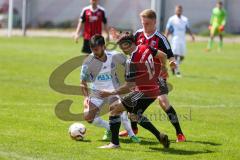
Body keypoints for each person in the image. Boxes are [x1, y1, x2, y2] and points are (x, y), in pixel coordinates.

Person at [118, 9, 186, 142]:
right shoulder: (137, 34)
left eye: (147, 23)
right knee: (130, 102)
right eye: (143, 23)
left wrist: (171, 62)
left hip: (158, 76)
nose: (144, 26)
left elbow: (169, 54)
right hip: (141, 77)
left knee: (163, 101)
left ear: (154, 22)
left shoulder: (160, 38)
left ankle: (179, 133)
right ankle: (133, 129)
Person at [98, 33, 170, 149]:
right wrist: (163, 67)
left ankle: (114, 143)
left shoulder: (131, 61)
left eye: (122, 45)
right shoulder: (145, 47)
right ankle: (160, 136)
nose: (121, 48)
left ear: (129, 44)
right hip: (154, 89)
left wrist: (110, 93)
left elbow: (128, 86)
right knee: (134, 115)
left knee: (114, 109)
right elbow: (163, 55)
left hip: (143, 92)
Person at [80, 34, 140, 142]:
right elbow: (83, 82)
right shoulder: (88, 62)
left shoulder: (115, 56)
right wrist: (85, 98)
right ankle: (109, 128)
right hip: (97, 92)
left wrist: (130, 79)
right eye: (93, 50)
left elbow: (129, 64)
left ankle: (132, 135)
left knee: (117, 109)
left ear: (104, 47)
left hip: (113, 90)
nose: (95, 53)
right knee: (88, 117)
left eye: (97, 50)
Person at [165, 5, 195, 77]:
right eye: (177, 10)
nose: (179, 11)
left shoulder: (185, 19)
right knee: (175, 55)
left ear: (182, 11)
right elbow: (168, 29)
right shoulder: (172, 19)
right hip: (175, 39)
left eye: (180, 10)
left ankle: (173, 67)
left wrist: (192, 36)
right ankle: (177, 71)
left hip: (182, 39)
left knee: (182, 56)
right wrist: (165, 37)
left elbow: (188, 28)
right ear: (175, 10)